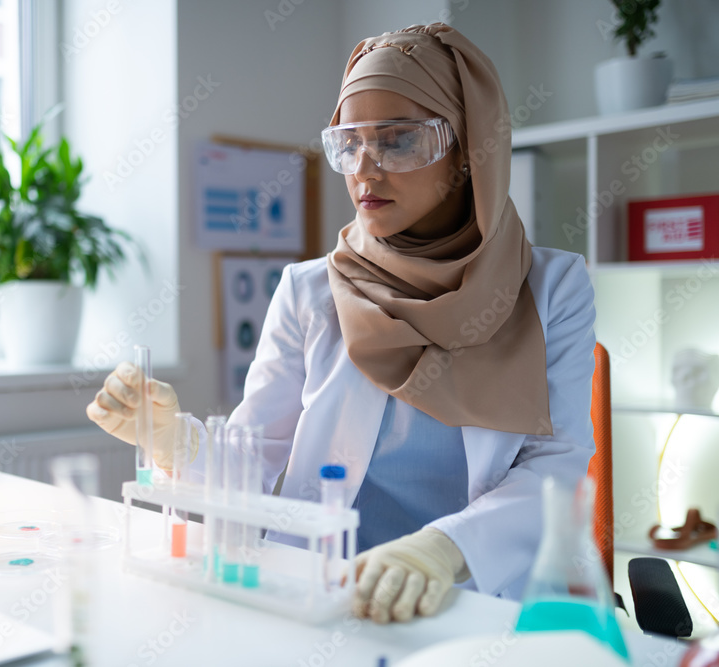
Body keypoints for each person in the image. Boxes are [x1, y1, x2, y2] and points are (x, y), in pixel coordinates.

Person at [86, 23, 596, 625]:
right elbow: (256, 457)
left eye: (400, 141)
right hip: (322, 594)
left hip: (471, 598)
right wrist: (174, 438)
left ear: (469, 151)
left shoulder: (551, 286)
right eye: (348, 143)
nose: (365, 169)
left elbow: (556, 466)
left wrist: (445, 546)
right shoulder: (310, 290)